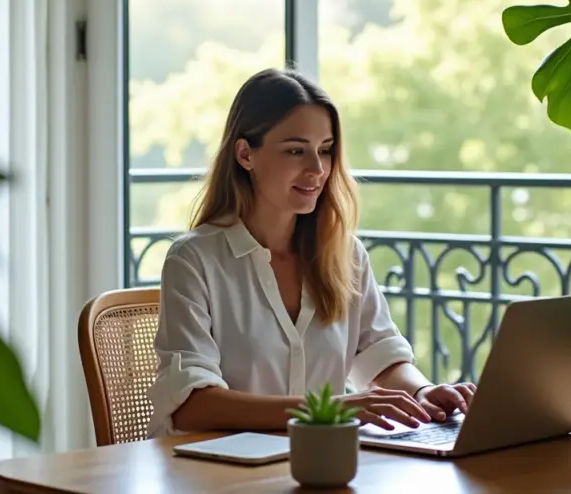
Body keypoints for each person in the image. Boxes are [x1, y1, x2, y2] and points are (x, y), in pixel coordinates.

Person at [146, 67, 477, 438]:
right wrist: (329, 410)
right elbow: (193, 406)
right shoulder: (193, 259)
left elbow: (379, 353)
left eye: (325, 150)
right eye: (295, 151)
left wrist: (423, 391)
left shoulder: (345, 254)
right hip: (214, 467)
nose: (317, 169)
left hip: (318, 460)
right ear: (245, 154)